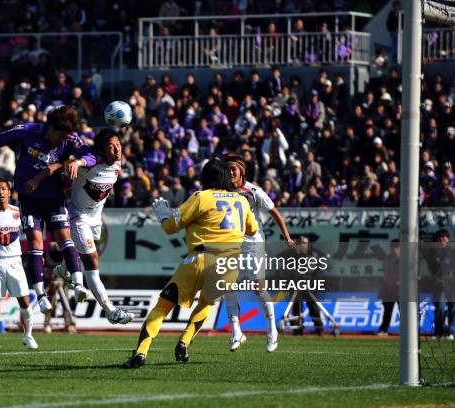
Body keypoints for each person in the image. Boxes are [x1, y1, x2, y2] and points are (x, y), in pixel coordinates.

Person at [0, 106, 93, 315]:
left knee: (64, 237)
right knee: (35, 242)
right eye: (60, 136)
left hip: (54, 198)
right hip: (29, 198)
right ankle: (41, 295)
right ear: (51, 129)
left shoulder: (70, 138)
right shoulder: (29, 130)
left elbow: (91, 156)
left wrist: (78, 162)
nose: (62, 141)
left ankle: (79, 284)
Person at [122, 159, 258, 368]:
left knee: (163, 306)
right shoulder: (241, 200)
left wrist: (163, 215)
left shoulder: (201, 197)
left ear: (207, 177)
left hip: (199, 258)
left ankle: (140, 352)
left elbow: (171, 227)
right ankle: (184, 342)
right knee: (206, 304)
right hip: (229, 265)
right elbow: (252, 229)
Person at [26, 129, 134, 324]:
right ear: (102, 149)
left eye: (119, 145)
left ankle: (62, 270)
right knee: (91, 262)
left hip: (95, 217)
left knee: (86, 255)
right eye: (112, 146)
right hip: (78, 216)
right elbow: (57, 166)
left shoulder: (118, 164)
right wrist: (40, 178)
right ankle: (111, 311)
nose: (117, 150)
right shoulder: (88, 165)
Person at [221, 155, 295, 352]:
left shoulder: (254, 191)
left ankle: (272, 330)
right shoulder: (224, 191)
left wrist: (287, 237)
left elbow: (274, 212)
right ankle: (236, 331)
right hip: (232, 243)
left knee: (258, 287)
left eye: (233, 170)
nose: (229, 173)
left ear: (242, 172)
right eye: (227, 170)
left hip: (254, 243)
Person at [0, 178, 38, 350]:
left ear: (9, 192)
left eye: (4, 189)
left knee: (24, 301)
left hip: (15, 262)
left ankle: (28, 336)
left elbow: (32, 233)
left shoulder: (19, 213)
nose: (1, 192)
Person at [425, 229, 454, 339]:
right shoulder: (432, 253)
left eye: (444, 237)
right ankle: (438, 332)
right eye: (440, 238)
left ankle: (451, 332)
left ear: (448, 239)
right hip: (439, 285)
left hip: (452, 284)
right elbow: (432, 269)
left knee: (452, 308)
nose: (442, 240)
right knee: (440, 308)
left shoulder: (453, 252)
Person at [377, 240, 400, 336]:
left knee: (404, 311)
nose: (395, 249)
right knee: (387, 310)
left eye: (397, 247)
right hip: (388, 288)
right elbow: (385, 274)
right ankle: (383, 330)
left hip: (401, 289)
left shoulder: (405, 259)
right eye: (393, 247)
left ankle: (407, 331)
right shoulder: (387, 259)